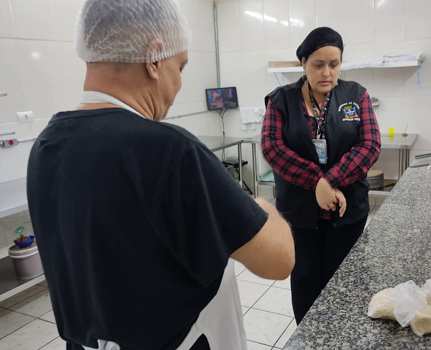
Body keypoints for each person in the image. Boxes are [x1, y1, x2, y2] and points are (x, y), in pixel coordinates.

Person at [26, 1, 294, 349]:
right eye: (180, 67)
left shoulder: (45, 147)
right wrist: (259, 204)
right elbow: (279, 259)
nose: (179, 83)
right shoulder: (168, 150)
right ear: (154, 58)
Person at [261, 27, 381, 324]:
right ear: (303, 62)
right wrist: (316, 182)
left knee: (345, 280)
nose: (327, 72)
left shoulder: (357, 96)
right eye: (318, 64)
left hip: (348, 208)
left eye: (334, 64)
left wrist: (331, 182)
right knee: (305, 280)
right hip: (300, 214)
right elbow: (272, 148)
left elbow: (369, 145)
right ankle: (308, 338)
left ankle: (342, 337)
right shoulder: (281, 101)